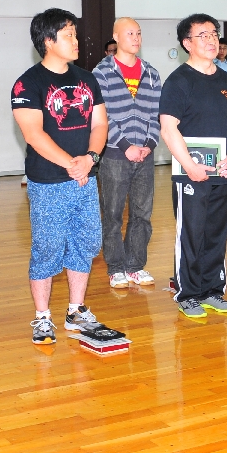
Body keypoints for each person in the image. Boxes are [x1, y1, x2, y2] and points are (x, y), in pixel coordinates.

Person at [11, 9, 109, 346]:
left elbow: (100, 124)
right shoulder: (28, 83)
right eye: (68, 35)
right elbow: (33, 134)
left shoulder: (87, 79)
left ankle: (76, 310)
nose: (76, 40)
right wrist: (72, 164)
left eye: (75, 34)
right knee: (48, 247)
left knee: (86, 242)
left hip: (84, 177)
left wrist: (90, 158)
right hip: (49, 181)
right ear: (48, 41)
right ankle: (42, 317)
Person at [159, 13, 227, 320]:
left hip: (223, 171)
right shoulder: (178, 81)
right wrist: (189, 165)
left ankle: (212, 290)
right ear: (187, 43)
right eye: (203, 35)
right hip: (191, 174)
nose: (211, 40)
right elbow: (168, 128)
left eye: (214, 34)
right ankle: (188, 294)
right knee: (191, 233)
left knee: (217, 233)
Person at [93, 17, 161, 290]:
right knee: (112, 214)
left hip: (145, 155)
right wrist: (126, 146)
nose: (136, 38)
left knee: (142, 214)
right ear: (116, 37)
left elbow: (157, 114)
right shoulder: (101, 73)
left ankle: (135, 266)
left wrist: (149, 144)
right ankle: (115, 267)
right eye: (130, 33)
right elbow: (102, 118)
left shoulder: (151, 73)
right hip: (115, 156)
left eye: (139, 33)